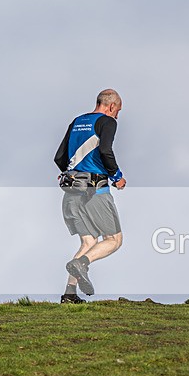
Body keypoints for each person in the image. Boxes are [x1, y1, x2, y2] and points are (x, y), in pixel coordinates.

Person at [54, 89, 127, 303]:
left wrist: (71, 174)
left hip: (71, 189)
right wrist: (117, 176)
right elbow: (105, 150)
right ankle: (82, 263)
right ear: (111, 106)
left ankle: (69, 294)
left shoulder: (77, 122)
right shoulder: (107, 121)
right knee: (114, 240)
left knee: (88, 241)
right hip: (95, 190)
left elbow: (59, 157)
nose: (117, 116)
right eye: (118, 111)